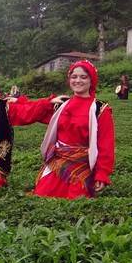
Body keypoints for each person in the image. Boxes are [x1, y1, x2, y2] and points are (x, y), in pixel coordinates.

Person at [34, 60, 115, 198]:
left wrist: (102, 173)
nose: (78, 80)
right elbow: (31, 112)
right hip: (57, 162)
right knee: (43, 195)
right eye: (74, 77)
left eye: (83, 77)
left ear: (92, 80)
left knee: (76, 199)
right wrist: (15, 102)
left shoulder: (100, 109)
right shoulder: (62, 104)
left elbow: (106, 145)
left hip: (82, 164)